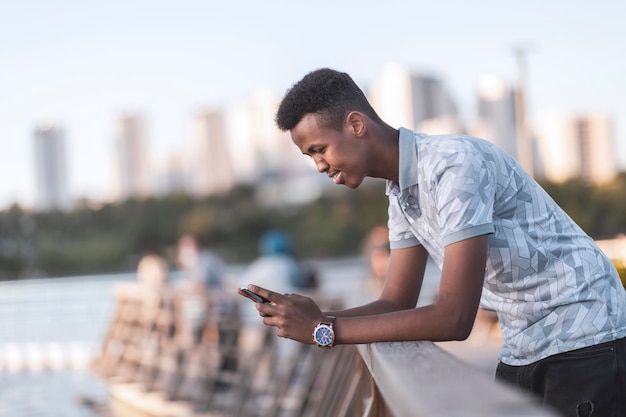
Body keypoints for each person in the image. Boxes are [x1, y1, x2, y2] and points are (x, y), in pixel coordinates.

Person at [239, 68, 626, 417]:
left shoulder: (452, 165)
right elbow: (395, 302)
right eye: (311, 157)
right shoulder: (400, 193)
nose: (319, 166)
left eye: (319, 149)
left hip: (585, 332)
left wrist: (325, 330)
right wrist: (316, 315)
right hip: (524, 342)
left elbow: (454, 318)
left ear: (356, 124)